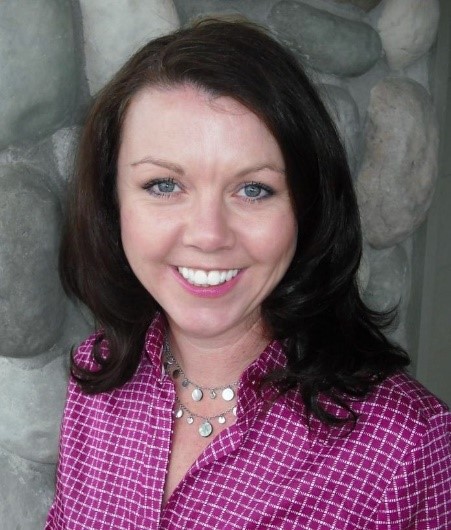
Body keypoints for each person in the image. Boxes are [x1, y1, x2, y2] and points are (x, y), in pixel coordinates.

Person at [45, 17, 451, 529]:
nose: (209, 234)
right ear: (112, 202)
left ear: (307, 207)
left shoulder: (407, 447)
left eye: (253, 189)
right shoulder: (97, 376)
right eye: (165, 184)